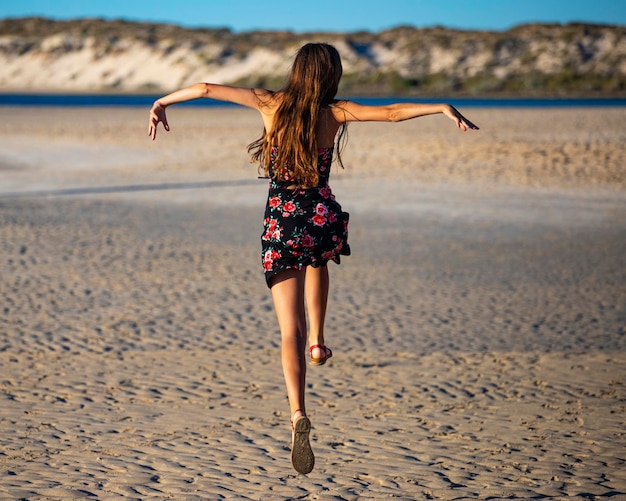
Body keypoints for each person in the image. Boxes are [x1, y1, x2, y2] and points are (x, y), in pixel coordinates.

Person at [148, 42, 478, 474]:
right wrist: (440, 106)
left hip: (280, 221)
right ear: (331, 75)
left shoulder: (269, 103)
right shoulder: (335, 111)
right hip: (318, 214)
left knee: (288, 330)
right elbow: (393, 112)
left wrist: (161, 102)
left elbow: (207, 88)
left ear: (298, 70)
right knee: (320, 256)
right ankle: (319, 340)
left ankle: (297, 414)